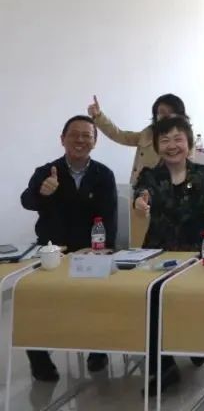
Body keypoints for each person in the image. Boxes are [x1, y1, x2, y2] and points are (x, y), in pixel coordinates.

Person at [20, 115, 117, 382]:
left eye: (87, 135)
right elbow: (26, 201)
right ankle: (38, 357)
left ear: (95, 142)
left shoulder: (103, 175)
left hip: (91, 251)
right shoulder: (47, 171)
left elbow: (109, 218)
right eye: (74, 134)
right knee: (34, 300)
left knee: (101, 298)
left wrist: (103, 251)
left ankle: (98, 349)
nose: (80, 140)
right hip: (53, 251)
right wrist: (42, 192)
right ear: (62, 139)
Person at [133, 116, 204, 395]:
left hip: (197, 252)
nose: (172, 146)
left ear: (189, 143)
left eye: (178, 139)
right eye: (165, 140)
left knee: (192, 303)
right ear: (157, 145)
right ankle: (164, 367)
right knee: (151, 302)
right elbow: (141, 193)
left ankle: (193, 342)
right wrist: (140, 202)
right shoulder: (150, 175)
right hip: (158, 251)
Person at [88, 92, 186, 185]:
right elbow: (120, 135)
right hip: (141, 188)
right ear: (156, 116)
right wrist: (98, 116)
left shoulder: (186, 139)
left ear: (180, 115)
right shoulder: (147, 134)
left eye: (171, 112)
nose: (166, 116)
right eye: (162, 112)